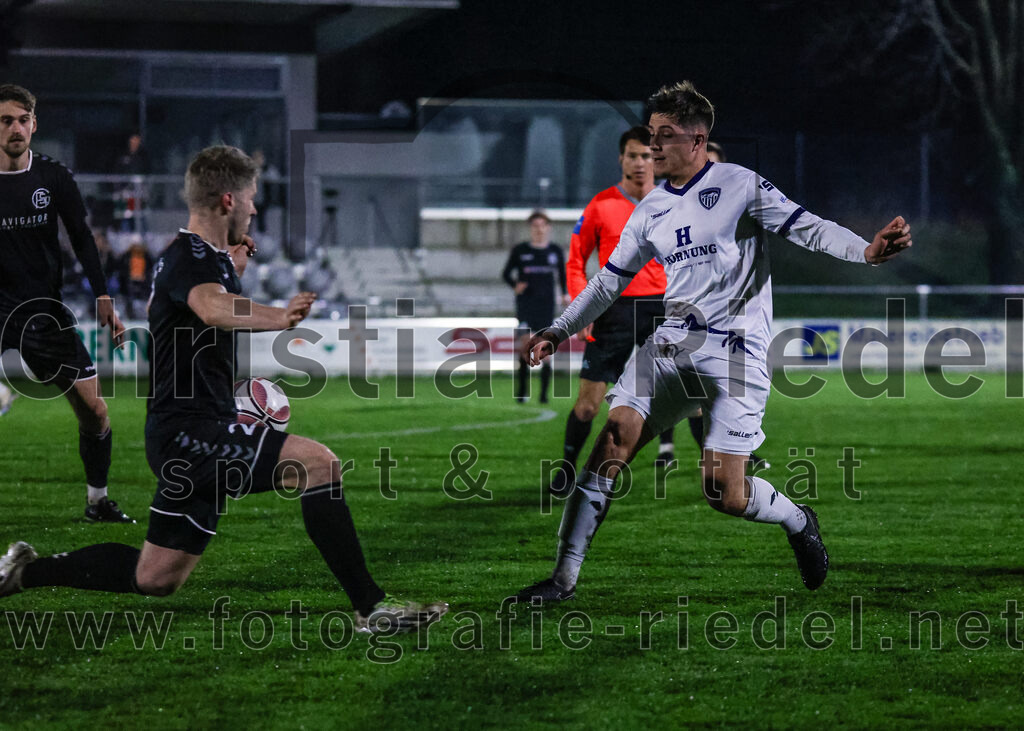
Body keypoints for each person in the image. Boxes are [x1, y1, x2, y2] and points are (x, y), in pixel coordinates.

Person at [0, 145, 448, 634]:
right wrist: (280, 315)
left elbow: (197, 306)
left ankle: (24, 572)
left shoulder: (200, 259)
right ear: (228, 200)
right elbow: (211, 308)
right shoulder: (192, 258)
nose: (254, 209)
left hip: (187, 432)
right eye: (251, 198)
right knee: (318, 464)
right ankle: (371, 608)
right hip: (191, 433)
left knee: (155, 577)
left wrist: (232, 273)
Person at [514, 81, 912, 603]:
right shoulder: (650, 209)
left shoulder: (739, 184)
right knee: (612, 439)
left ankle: (797, 519)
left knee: (724, 493)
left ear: (698, 139)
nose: (653, 145)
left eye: (664, 135)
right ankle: (562, 580)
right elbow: (608, 282)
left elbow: (808, 228)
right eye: (651, 134)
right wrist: (558, 328)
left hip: (737, 355)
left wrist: (865, 251)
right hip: (670, 347)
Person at [0, 83, 132, 523]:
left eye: (22, 120)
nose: (15, 128)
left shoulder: (53, 177)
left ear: (34, 124)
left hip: (42, 308)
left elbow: (81, 238)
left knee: (95, 411)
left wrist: (103, 295)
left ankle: (98, 502)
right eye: (5, 121)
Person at [549, 126, 678, 497]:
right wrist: (583, 310)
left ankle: (717, 471)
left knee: (689, 396)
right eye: (633, 156)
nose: (640, 163)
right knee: (588, 406)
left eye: (647, 156)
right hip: (613, 310)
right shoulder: (600, 205)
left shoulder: (674, 202)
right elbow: (575, 260)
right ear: (621, 159)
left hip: (664, 307)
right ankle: (567, 469)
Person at [501, 210, 568, 403]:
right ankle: (522, 392)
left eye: (542, 225)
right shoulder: (521, 250)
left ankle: (543, 395)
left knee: (545, 351)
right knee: (525, 346)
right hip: (525, 306)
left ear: (548, 228)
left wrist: (564, 293)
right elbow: (505, 273)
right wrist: (515, 285)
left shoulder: (555, 251)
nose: (539, 229)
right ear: (530, 228)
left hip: (546, 307)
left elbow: (562, 275)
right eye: (535, 226)